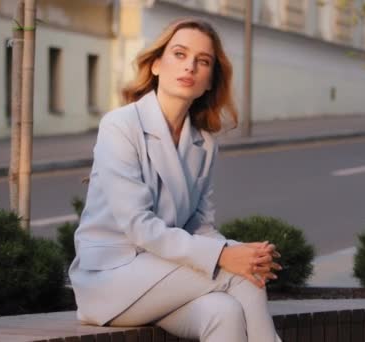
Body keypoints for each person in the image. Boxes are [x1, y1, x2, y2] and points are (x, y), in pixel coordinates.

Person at [68, 18, 283, 342]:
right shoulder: (120, 126)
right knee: (241, 276)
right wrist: (229, 256)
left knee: (224, 312)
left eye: (203, 61)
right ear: (155, 64)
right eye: (179, 54)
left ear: (210, 80)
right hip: (111, 279)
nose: (190, 67)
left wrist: (243, 252)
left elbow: (201, 227)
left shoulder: (204, 143)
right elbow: (139, 226)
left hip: (163, 273)